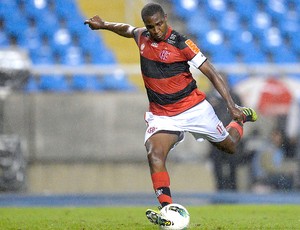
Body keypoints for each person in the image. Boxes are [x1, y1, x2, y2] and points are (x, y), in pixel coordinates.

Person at [84, 3, 257, 227]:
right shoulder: (142, 36)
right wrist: (104, 25)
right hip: (163, 115)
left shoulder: (182, 43)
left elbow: (211, 72)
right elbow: (127, 29)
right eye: (151, 26)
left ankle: (239, 119)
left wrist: (232, 105)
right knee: (154, 154)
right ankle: (167, 210)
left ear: (165, 18)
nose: (156, 30)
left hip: (193, 108)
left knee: (230, 145)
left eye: (159, 24)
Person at [206, 77, 244, 191]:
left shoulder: (235, 97)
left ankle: (233, 190)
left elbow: (241, 114)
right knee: (217, 167)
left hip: (231, 136)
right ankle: (219, 190)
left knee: (232, 166)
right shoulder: (208, 97)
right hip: (215, 138)